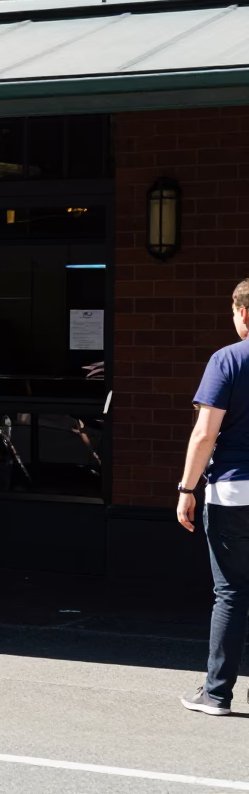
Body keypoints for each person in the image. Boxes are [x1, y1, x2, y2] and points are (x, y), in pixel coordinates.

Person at [178, 278, 249, 715]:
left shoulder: (227, 360)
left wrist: (186, 488)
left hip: (234, 491)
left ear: (244, 314)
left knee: (232, 592)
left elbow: (205, 433)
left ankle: (217, 693)